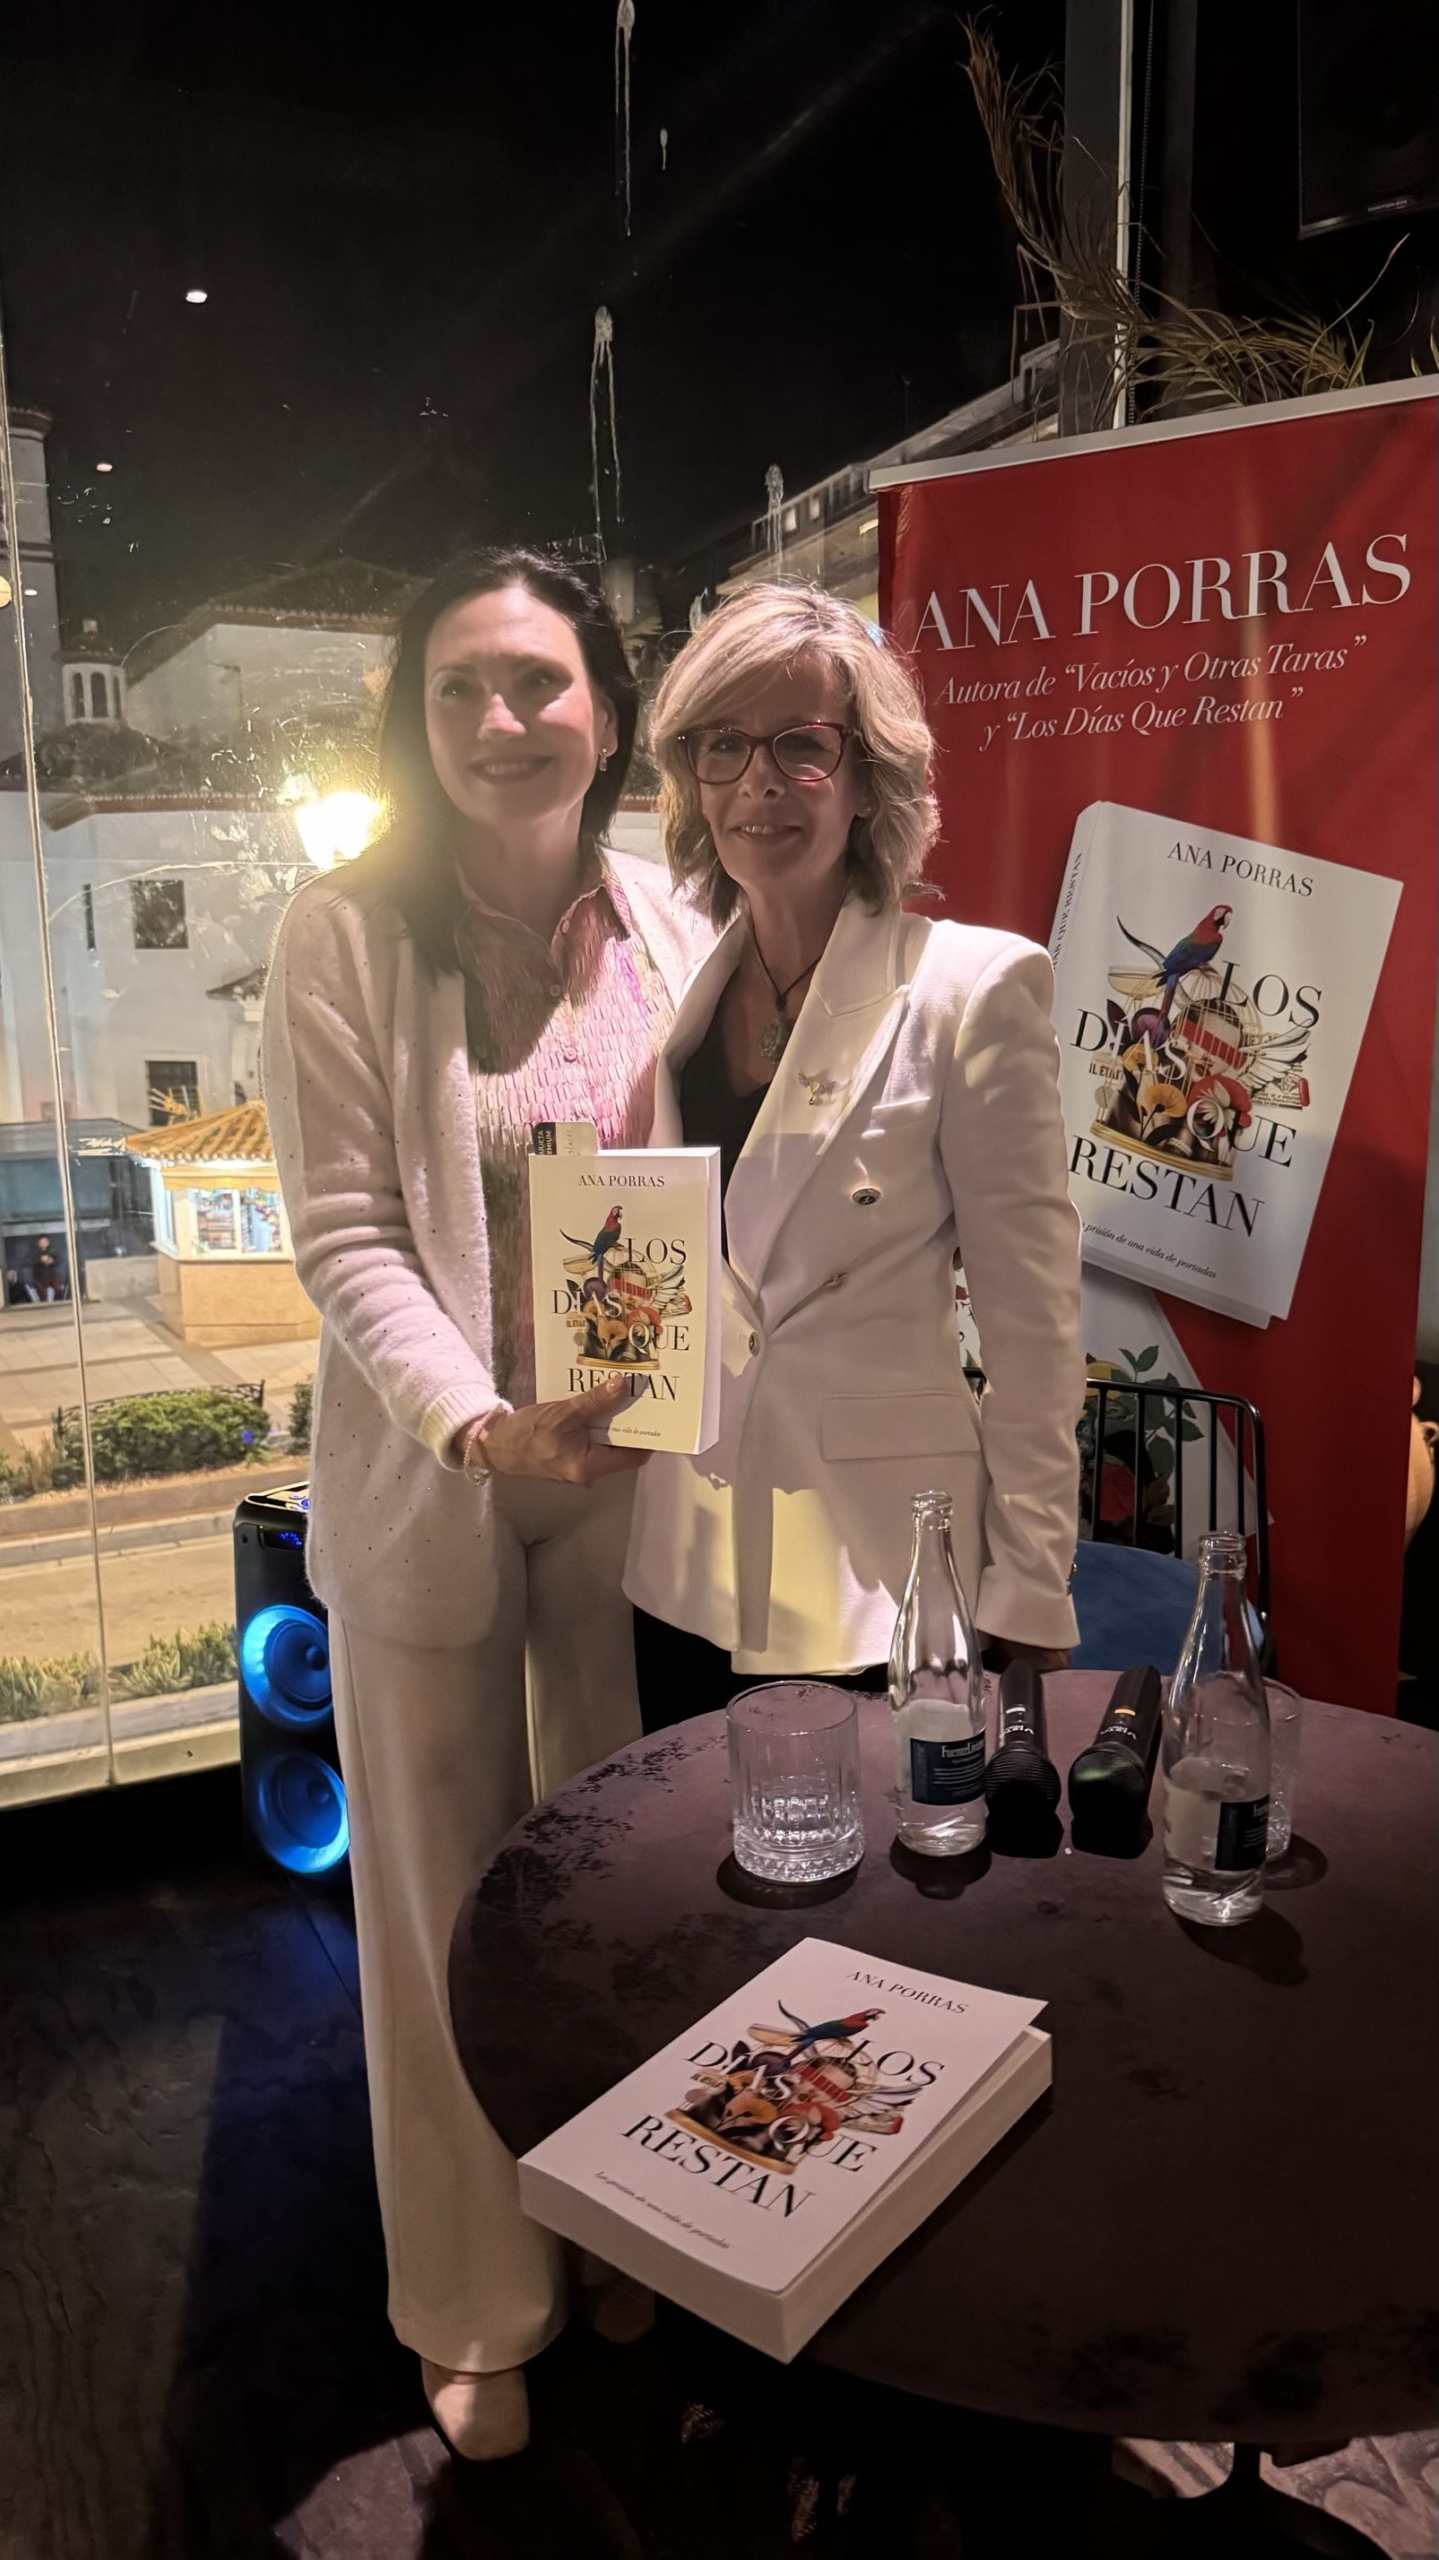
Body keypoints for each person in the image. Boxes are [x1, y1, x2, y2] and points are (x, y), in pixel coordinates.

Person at [262, 548, 707, 2460]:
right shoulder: (346, 935)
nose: (500, 720)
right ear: (416, 722)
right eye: (457, 688)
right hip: (436, 1488)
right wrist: (476, 1424)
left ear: (606, 707)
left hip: (628, 1489)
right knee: (444, 1906)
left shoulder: (675, 920)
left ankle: (611, 2225)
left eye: (537, 681)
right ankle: (472, 2302)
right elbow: (344, 1235)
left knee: (607, 1892)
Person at [624, 583, 1083, 1719]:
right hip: (686, 1557)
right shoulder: (669, 994)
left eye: (801, 744)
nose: (759, 781)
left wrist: (1033, 1581)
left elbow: (1031, 1322)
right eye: (723, 745)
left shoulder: (971, 988)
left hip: (883, 1572)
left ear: (869, 776)